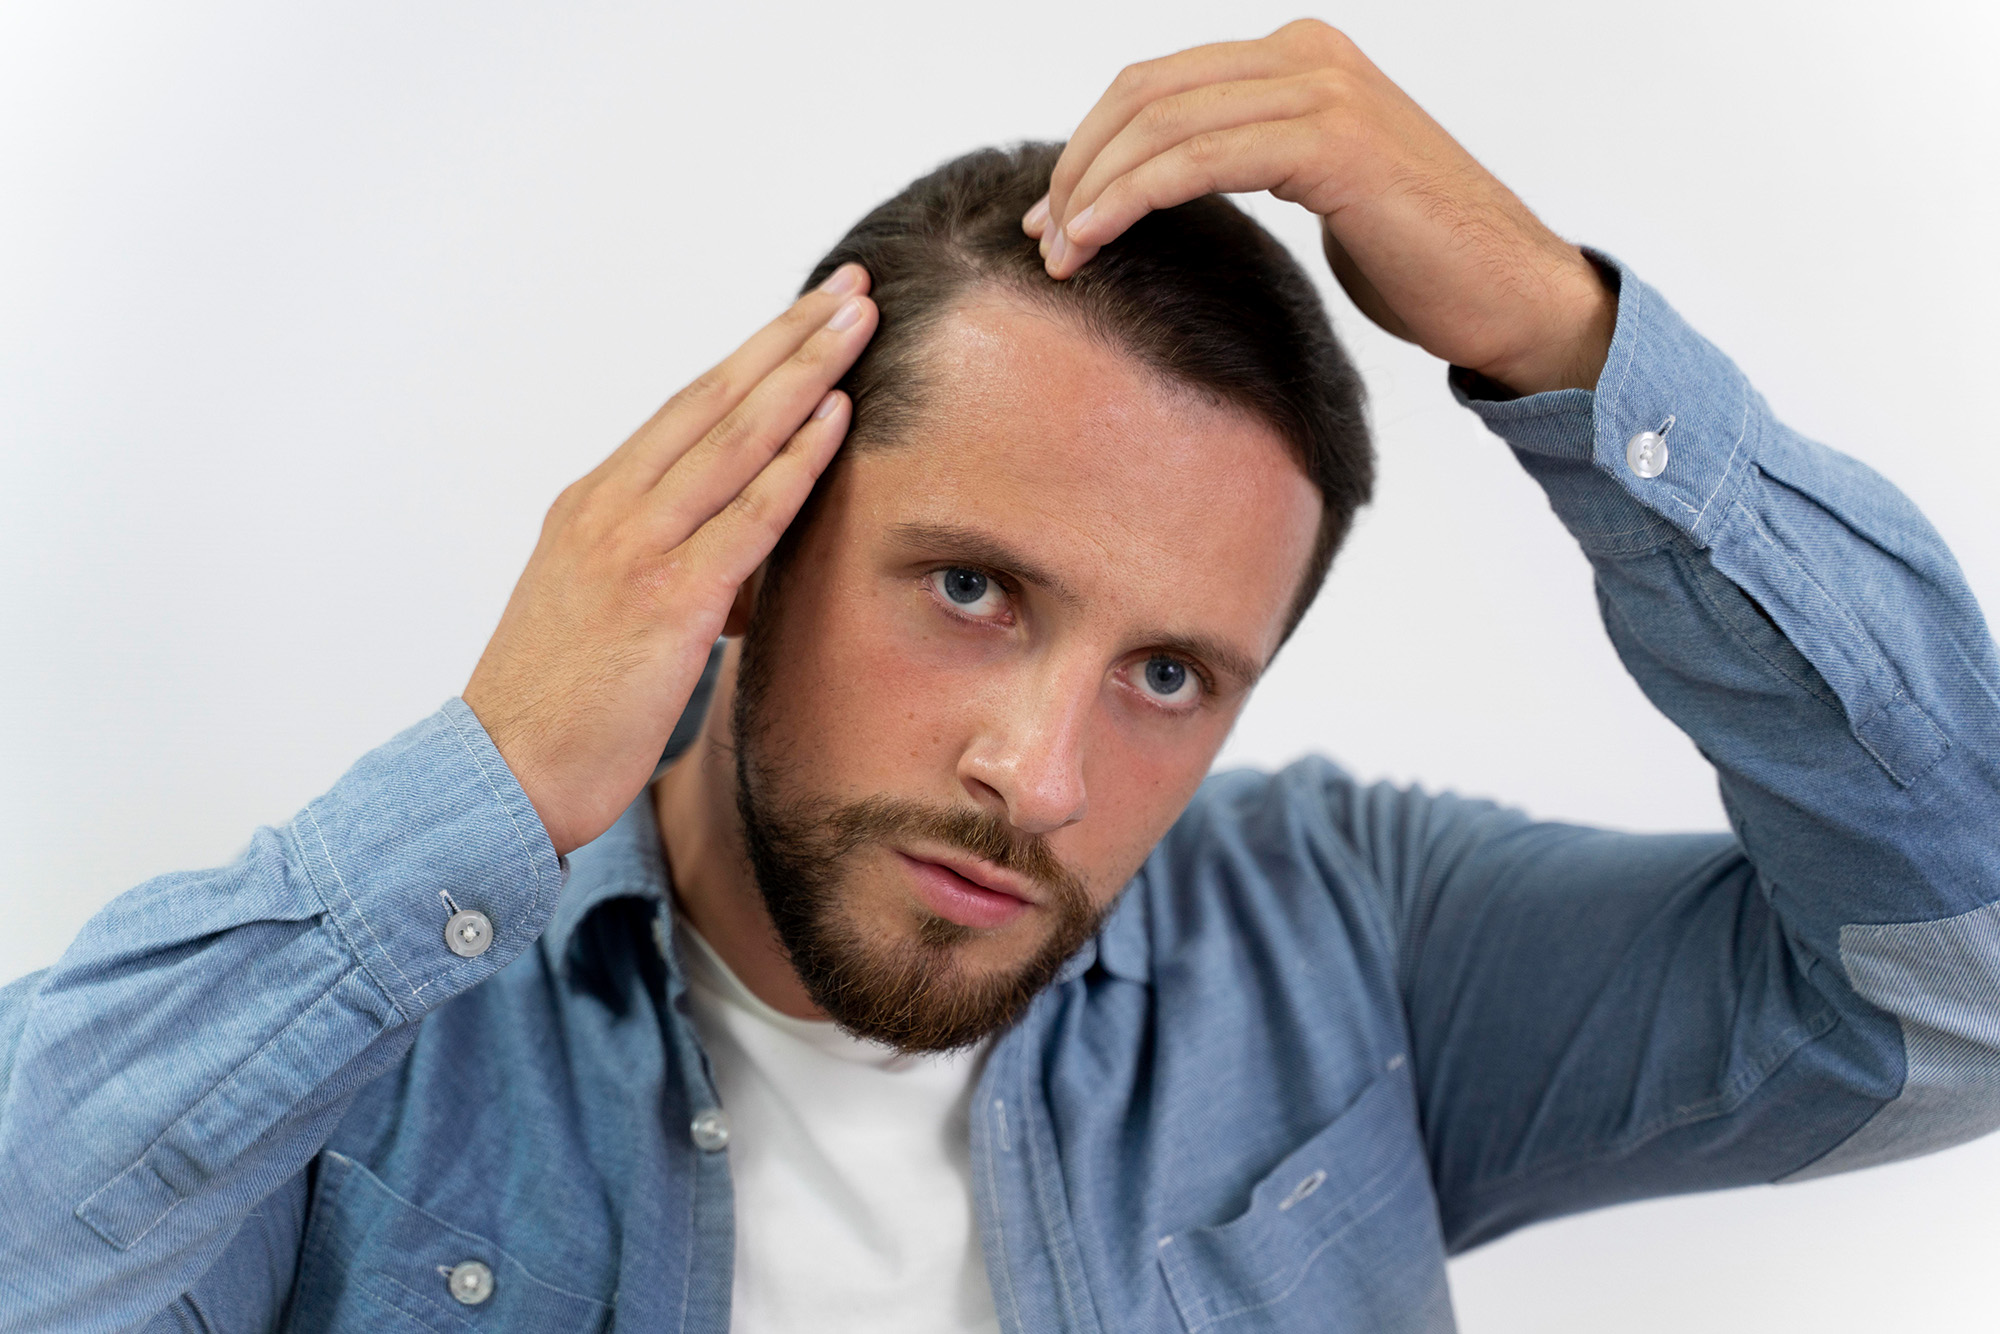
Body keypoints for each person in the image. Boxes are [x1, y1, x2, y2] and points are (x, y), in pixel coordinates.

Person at [2, 19, 1995, 1333]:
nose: (1035, 774)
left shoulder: (1351, 951)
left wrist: (1574, 348)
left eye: (1168, 676)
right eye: (968, 586)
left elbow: (1960, 987)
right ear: (755, 532)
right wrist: (504, 768)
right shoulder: (375, 1039)